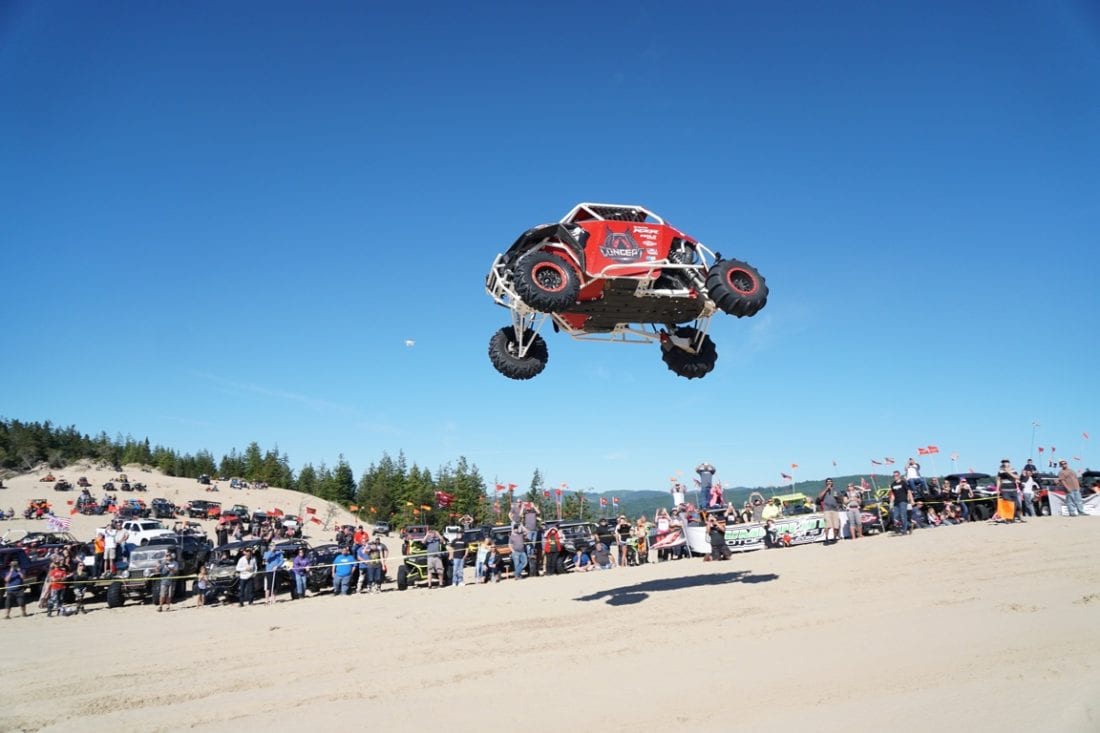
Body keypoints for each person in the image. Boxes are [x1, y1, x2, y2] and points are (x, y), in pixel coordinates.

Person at [889, 470, 913, 535]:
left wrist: (911, 500)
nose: (895, 477)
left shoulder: (903, 483)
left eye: (896, 475)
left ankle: (904, 531)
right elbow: (893, 495)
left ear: (899, 476)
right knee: (895, 517)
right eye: (894, 476)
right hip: (896, 502)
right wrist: (891, 503)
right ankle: (909, 525)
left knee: (903, 515)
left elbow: (908, 491)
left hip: (903, 501)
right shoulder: (893, 484)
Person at [818, 479, 841, 545]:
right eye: (827, 482)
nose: (829, 483)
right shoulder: (824, 490)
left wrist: (837, 497)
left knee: (836, 526)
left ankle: (834, 538)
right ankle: (827, 538)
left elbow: (840, 500)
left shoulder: (836, 490)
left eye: (830, 482)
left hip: (835, 509)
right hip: (827, 509)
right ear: (826, 483)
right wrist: (826, 489)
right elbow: (819, 497)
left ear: (832, 483)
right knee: (827, 525)